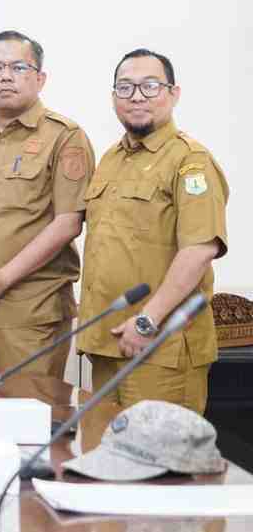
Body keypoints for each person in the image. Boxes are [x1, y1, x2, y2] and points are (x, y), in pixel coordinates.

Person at [78, 49, 227, 414]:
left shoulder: (190, 161)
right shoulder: (111, 158)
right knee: (105, 458)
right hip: (108, 343)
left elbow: (199, 250)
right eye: (125, 88)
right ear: (114, 98)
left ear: (173, 94)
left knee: (159, 463)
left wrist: (148, 321)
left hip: (160, 345)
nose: (137, 97)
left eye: (150, 86)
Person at [0, 30, 95, 378]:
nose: (6, 76)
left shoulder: (65, 136)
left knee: (28, 416)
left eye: (18, 67)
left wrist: (3, 279)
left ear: (40, 78)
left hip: (29, 310)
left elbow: (69, 221)